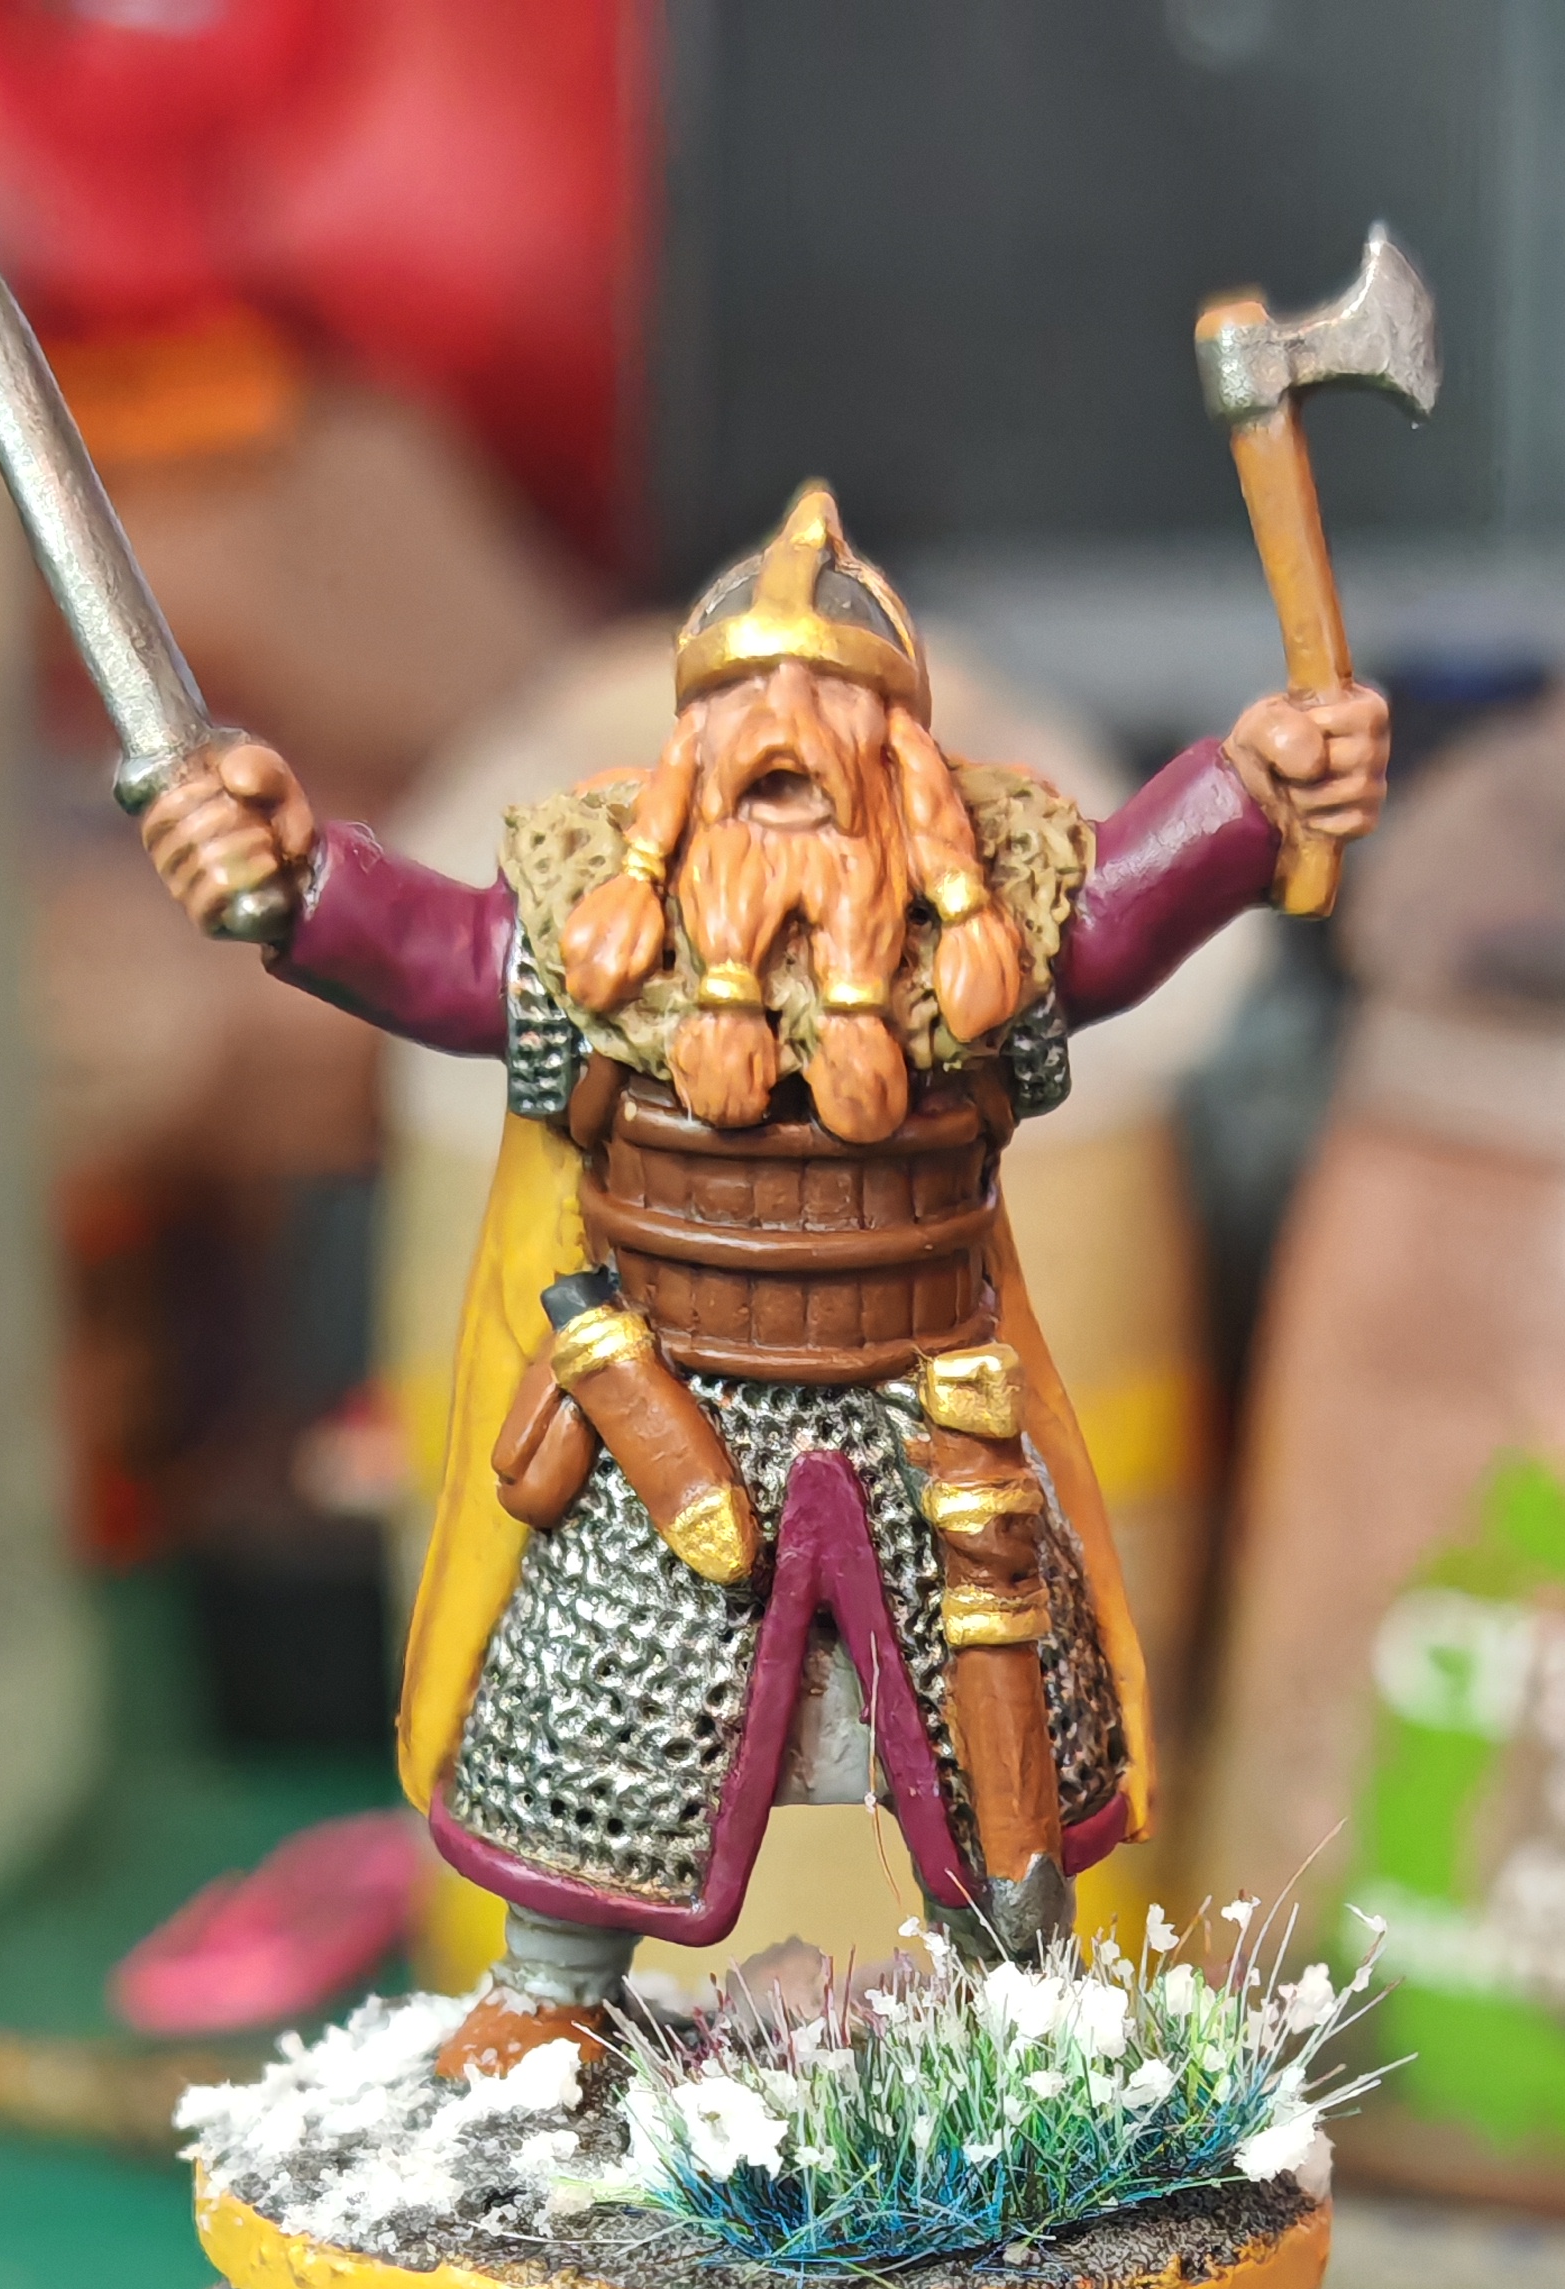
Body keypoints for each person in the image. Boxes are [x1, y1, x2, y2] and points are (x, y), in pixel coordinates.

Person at [140, 481, 1388, 2064]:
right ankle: (552, 1999)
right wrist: (294, 875)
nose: (787, 747)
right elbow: (436, 955)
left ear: (906, 764)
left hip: (929, 1422)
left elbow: (1126, 912)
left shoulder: (983, 935)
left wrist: (1255, 794)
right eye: (749, 719)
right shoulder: (601, 928)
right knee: (594, 1731)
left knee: (998, 1762)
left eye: (830, 716)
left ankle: (1021, 2019)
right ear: (688, 756)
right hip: (670, 1423)